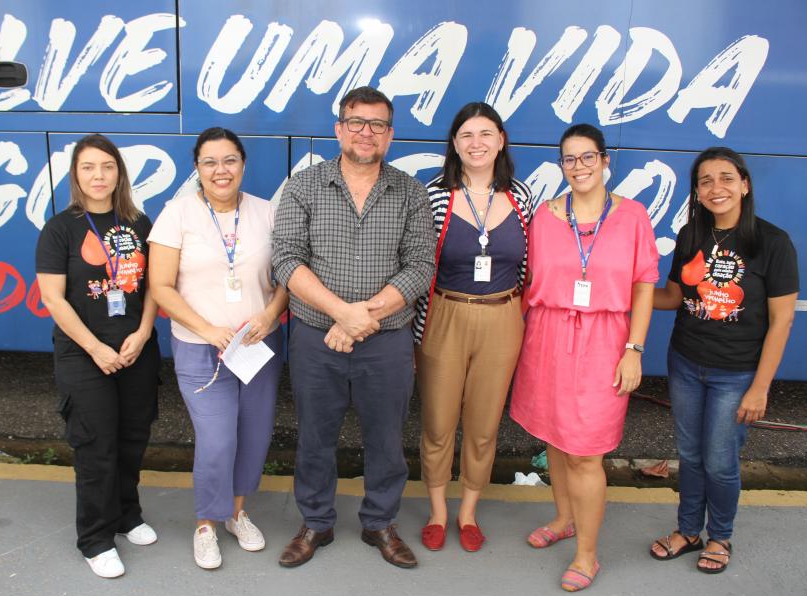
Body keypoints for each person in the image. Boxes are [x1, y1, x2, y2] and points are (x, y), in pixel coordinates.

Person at [272, 86, 435, 569]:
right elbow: (286, 258)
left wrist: (364, 316)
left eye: (378, 125)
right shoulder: (304, 186)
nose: (367, 132)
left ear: (390, 134)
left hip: (386, 342)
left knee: (386, 440)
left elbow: (421, 266)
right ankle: (316, 523)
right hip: (315, 338)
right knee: (314, 437)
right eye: (357, 122)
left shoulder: (410, 192)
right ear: (339, 129)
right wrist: (341, 313)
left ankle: (380, 523)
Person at [509, 123, 659, 592]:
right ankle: (563, 517)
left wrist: (633, 350)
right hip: (547, 336)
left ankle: (588, 554)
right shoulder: (546, 217)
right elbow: (529, 283)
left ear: (605, 160)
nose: (579, 167)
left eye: (587, 157)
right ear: (562, 165)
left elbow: (644, 284)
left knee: (585, 453)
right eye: (570, 159)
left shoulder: (633, 216)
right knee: (554, 440)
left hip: (605, 339)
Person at [648, 147, 798, 573]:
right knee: (690, 455)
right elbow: (674, 297)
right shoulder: (690, 235)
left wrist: (760, 387)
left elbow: (782, 322)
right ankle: (688, 530)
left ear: (745, 185)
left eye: (726, 178)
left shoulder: (773, 242)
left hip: (737, 373)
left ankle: (721, 536)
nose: (717, 188)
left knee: (719, 459)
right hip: (685, 363)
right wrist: (625, 290)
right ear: (696, 191)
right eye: (706, 180)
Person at [148, 127, 287, 570]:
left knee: (254, 434)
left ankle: (236, 513)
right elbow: (161, 286)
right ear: (197, 169)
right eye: (210, 162)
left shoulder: (267, 213)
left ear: (243, 165)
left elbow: (288, 278)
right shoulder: (178, 214)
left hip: (257, 346)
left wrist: (271, 315)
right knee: (217, 438)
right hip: (200, 348)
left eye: (229, 160)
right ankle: (206, 523)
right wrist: (207, 329)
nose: (220, 170)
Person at [35, 133, 160, 579]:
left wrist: (144, 333)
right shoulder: (60, 228)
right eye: (89, 167)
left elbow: (154, 288)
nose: (99, 176)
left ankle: (127, 515)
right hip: (84, 355)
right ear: (76, 174)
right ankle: (95, 537)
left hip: (135, 351)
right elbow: (53, 298)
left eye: (107, 166)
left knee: (132, 438)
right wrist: (95, 348)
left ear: (119, 173)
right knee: (96, 446)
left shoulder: (139, 223)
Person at [411, 102, 532, 552]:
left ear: (501, 140)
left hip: (502, 316)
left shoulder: (520, 196)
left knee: (483, 426)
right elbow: (421, 266)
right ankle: (439, 511)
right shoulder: (435, 195)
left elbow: (529, 265)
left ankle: (468, 513)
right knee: (439, 422)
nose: (476, 143)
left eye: (486, 133)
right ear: (455, 144)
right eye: (466, 135)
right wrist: (415, 333)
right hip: (445, 314)